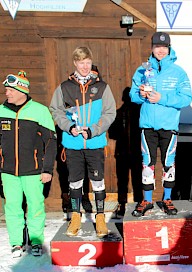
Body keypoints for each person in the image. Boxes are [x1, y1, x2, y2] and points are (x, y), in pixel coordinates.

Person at [50, 47, 116, 237]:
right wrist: (69, 126)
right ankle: (76, 216)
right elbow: (56, 110)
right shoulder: (65, 87)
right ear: (75, 64)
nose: (85, 67)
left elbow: (110, 113)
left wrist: (94, 130)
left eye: (87, 63)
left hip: (94, 143)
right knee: (75, 182)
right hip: (73, 144)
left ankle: (100, 217)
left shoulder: (102, 87)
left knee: (97, 181)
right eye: (81, 63)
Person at [129, 32, 192, 216]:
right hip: (147, 125)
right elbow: (133, 95)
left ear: (169, 48)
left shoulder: (178, 72)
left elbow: (186, 98)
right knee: (147, 163)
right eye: (157, 47)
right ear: (152, 48)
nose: (161, 50)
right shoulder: (142, 70)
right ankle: (147, 200)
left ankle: (167, 198)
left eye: (164, 47)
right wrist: (139, 96)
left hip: (169, 125)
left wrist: (162, 98)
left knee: (168, 163)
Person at [0, 70, 57, 257]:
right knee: (12, 207)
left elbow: (50, 142)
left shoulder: (39, 111)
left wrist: (47, 169)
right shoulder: (1, 111)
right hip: (7, 171)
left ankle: (36, 242)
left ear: (21, 91)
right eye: (6, 90)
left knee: (35, 206)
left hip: (33, 171)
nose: (6, 93)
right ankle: (16, 243)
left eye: (10, 90)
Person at [108, 87, 143, 218]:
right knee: (137, 180)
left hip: (123, 152)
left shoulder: (118, 113)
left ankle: (122, 205)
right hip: (136, 152)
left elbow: (112, 134)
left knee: (123, 181)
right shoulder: (141, 112)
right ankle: (138, 203)